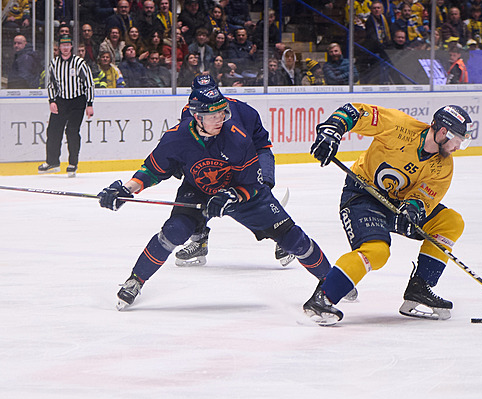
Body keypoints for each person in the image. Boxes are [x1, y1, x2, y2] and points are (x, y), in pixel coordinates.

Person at [97, 85, 332, 310]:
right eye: (213, 115)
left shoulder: (237, 137)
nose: (220, 119)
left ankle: (333, 283)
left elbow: (252, 184)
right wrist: (126, 190)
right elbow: (152, 171)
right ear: (197, 117)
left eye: (222, 112)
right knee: (174, 231)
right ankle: (135, 280)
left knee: (292, 238)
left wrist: (233, 195)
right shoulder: (175, 138)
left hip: (240, 192)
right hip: (199, 189)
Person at [302, 103, 472, 325]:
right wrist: (332, 130)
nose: (459, 146)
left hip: (397, 205)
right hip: (362, 195)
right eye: (458, 140)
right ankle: (323, 297)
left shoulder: (444, 166)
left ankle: (420, 288)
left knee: (451, 221)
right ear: (442, 132)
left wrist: (414, 209)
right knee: (377, 252)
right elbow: (355, 111)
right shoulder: (399, 127)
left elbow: (426, 197)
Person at [174, 74, 295, 267]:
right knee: (190, 193)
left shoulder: (245, 111)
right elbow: (189, 143)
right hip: (214, 167)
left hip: (243, 166)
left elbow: (263, 148)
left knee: (258, 201)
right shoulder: (189, 112)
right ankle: (199, 240)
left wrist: (263, 180)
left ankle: (284, 238)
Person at [38, 36, 95, 178]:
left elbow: (89, 84)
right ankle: (52, 162)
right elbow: (51, 84)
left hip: (77, 102)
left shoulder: (79, 63)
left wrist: (89, 104)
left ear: (71, 47)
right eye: (62, 45)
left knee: (72, 132)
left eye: (67, 45)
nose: (65, 48)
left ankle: (72, 163)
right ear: (59, 47)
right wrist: (52, 101)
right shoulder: (54, 63)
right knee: (53, 131)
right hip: (61, 101)